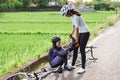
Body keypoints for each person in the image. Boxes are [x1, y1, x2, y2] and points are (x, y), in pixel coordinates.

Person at [60, 5, 90, 74]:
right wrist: (71, 33)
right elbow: (74, 27)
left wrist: (76, 41)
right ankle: (73, 65)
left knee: (82, 49)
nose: (66, 16)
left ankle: (83, 68)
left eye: (65, 14)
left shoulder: (76, 17)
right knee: (75, 48)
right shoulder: (72, 17)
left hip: (85, 33)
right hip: (80, 33)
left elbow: (77, 29)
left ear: (68, 12)